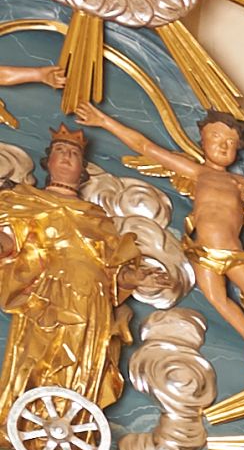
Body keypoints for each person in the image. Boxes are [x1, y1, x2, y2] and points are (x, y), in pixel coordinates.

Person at [71, 103, 244, 366]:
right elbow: (146, 147)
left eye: (231, 142)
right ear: (203, 141)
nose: (224, 145)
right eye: (216, 137)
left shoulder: (238, 182)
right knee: (218, 299)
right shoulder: (198, 173)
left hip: (232, 251)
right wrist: (104, 121)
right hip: (202, 253)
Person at [0, 123, 152, 418]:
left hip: (92, 302)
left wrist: (132, 277)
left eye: (74, 154)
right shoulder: (25, 201)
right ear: (48, 161)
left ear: (83, 168)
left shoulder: (98, 218)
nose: (67, 157)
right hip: (48, 297)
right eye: (60, 150)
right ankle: (26, 424)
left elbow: (112, 269)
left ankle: (70, 424)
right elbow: (9, 239)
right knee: (39, 358)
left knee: (83, 364)